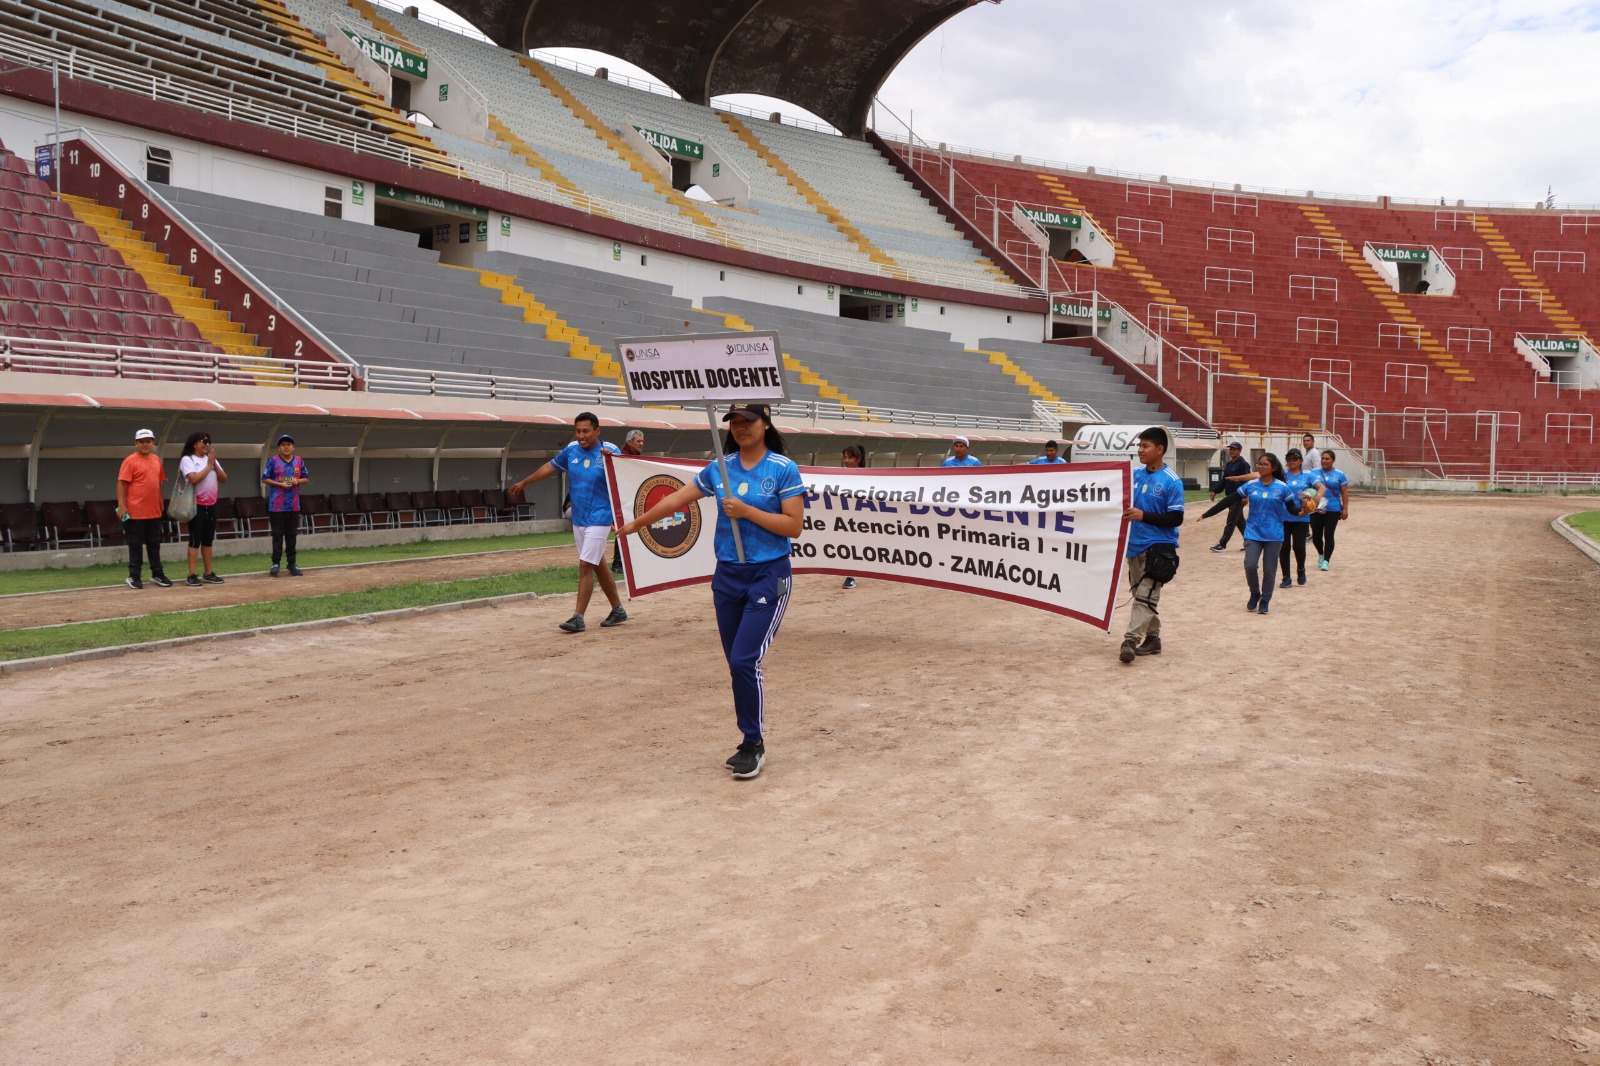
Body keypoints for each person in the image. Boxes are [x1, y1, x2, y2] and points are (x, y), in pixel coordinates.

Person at [616, 403, 805, 779]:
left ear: (765, 424)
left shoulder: (783, 469)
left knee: (743, 660)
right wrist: (638, 522)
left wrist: (746, 511)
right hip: (728, 576)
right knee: (734, 661)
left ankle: (754, 743)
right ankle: (748, 739)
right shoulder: (720, 467)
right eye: (734, 422)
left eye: (747, 421)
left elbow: (793, 526)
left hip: (768, 575)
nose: (740, 428)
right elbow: (675, 499)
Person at [510, 412, 626, 633]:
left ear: (597, 431)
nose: (581, 435)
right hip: (579, 518)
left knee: (585, 566)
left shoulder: (610, 451)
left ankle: (578, 617)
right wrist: (524, 482)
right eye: (578, 431)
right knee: (597, 564)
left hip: (600, 518)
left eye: (586, 431)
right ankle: (618, 609)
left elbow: (627, 474)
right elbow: (548, 467)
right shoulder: (571, 450)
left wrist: (614, 460)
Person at [1203, 452, 1300, 614]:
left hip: (1274, 535)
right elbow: (1230, 499)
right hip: (1253, 532)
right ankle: (1255, 593)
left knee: (1269, 570)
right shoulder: (1251, 485)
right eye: (1259, 464)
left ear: (1273, 468)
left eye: (1265, 464)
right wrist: (1208, 513)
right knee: (1250, 565)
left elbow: (1292, 508)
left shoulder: (1282, 487)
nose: (1261, 467)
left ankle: (1265, 600)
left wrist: (1303, 510)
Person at [1119, 426, 1185, 663]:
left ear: (1160, 449)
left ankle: (1129, 640)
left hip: (1160, 548)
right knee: (1141, 595)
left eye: (1145, 446)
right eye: (1139, 446)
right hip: (1134, 546)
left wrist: (1143, 515)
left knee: (1145, 596)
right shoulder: (1134, 474)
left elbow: (1176, 518)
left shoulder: (1172, 481)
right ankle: (1154, 637)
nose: (1140, 450)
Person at [116, 427, 171, 589]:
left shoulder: (156, 460)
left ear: (153, 443)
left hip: (153, 511)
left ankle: (157, 574)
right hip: (134, 511)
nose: (145, 445)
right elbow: (121, 483)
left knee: (154, 544)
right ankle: (134, 576)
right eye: (141, 442)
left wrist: (161, 502)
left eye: (148, 441)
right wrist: (121, 505)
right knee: (135, 544)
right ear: (136, 444)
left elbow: (158, 483)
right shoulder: (130, 461)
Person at [179, 431, 228, 586]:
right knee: (195, 539)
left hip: (211, 504)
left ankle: (208, 572)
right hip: (196, 505)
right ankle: (192, 574)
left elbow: (224, 479)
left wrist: (214, 464)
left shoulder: (211, 459)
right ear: (195, 443)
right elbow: (193, 479)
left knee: (208, 539)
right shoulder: (188, 459)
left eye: (209, 442)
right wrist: (208, 466)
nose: (207, 445)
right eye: (203, 441)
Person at [261, 433, 308, 577]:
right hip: (276, 505)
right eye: (283, 445)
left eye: (289, 444)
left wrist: (297, 481)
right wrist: (280, 484)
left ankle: (292, 563)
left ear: (293, 447)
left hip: (293, 504)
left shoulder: (299, 461)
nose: (286, 447)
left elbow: (306, 478)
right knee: (277, 534)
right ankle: (275, 563)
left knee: (292, 535)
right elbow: (265, 478)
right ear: (279, 448)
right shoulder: (273, 461)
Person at [1277, 448, 1322, 589]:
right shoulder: (1282, 475)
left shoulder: (1308, 475)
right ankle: (1286, 577)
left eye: (1294, 459)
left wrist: (1317, 498)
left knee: (1298, 546)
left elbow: (1321, 487)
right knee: (1283, 547)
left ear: (1301, 461)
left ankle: (1301, 570)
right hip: (1283, 516)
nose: (1291, 461)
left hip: (1301, 517)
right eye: (1289, 459)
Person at [610, 429, 646, 575]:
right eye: (638, 441)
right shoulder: (622, 458)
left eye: (642, 441)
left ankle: (630, 562)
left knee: (634, 530)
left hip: (634, 499)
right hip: (623, 500)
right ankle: (617, 563)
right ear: (629, 442)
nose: (641, 444)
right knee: (623, 530)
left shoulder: (637, 457)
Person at [1208, 441, 1252, 552]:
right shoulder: (1229, 464)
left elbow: (1247, 481)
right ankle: (1251, 543)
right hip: (1230, 497)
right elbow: (1224, 480)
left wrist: (1245, 496)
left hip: (1238, 497)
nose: (1232, 451)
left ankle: (1222, 544)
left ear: (1240, 451)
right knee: (1239, 521)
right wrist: (1215, 491)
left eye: (1234, 449)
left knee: (1231, 521)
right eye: (1231, 449)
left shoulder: (1243, 464)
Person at [1311, 449, 1350, 571]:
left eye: (1327, 459)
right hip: (1316, 508)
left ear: (1333, 460)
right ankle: (1321, 554)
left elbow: (1344, 493)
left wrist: (1345, 509)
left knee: (1329, 534)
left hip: (1333, 508)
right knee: (1316, 535)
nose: (1324, 461)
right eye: (1323, 458)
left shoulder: (1339, 474)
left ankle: (1326, 560)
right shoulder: (1314, 473)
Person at [839, 444, 867, 588]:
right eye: (845, 457)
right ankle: (850, 574)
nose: (847, 461)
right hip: (844, 515)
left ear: (858, 459)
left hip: (861, 516)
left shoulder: (868, 476)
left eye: (850, 457)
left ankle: (851, 575)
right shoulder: (838, 475)